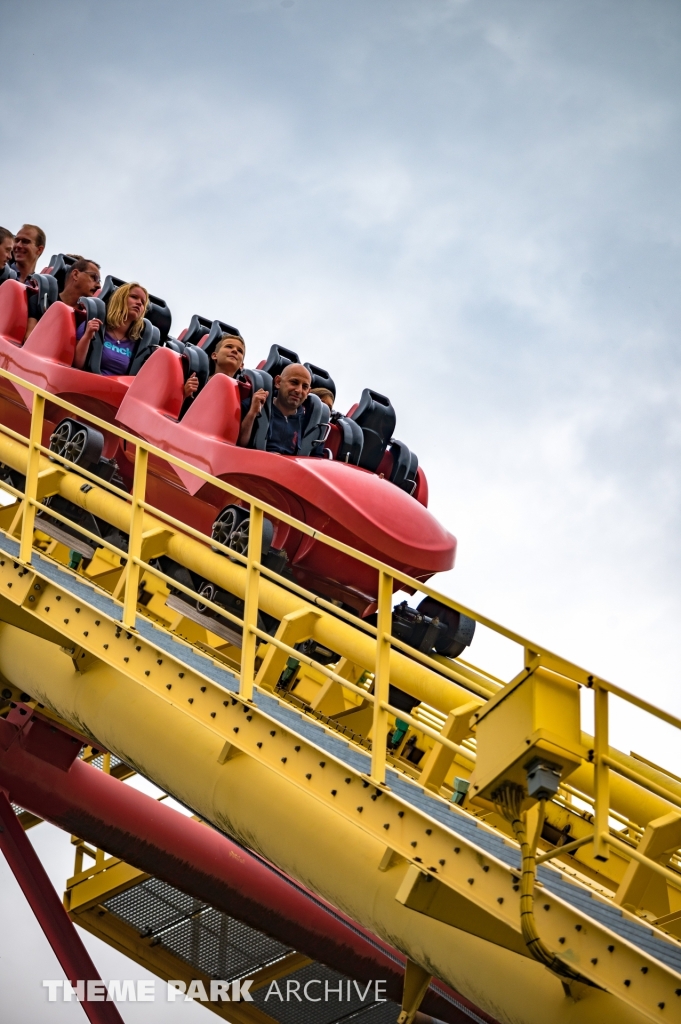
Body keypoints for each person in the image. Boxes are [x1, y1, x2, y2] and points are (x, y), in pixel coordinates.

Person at [73, 282, 193, 395]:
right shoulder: (93, 325)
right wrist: (87, 336)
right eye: (134, 297)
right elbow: (77, 364)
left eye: (143, 302)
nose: (139, 303)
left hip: (116, 396)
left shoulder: (140, 344)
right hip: (87, 388)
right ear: (120, 299)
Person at [210, 332, 269, 446]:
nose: (234, 351)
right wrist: (187, 395)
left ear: (241, 365)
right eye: (229, 346)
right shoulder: (198, 380)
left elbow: (240, 442)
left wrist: (252, 412)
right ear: (214, 355)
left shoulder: (242, 398)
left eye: (239, 351)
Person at [24, 257, 101, 339]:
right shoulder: (42, 301)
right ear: (75, 274)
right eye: (94, 277)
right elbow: (29, 338)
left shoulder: (86, 319)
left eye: (99, 281)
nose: (98, 286)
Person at [266, 363, 312, 455]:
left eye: (304, 387)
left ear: (308, 392)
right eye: (294, 382)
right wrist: (252, 414)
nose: (299, 390)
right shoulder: (258, 406)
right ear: (278, 382)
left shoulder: (311, 426)